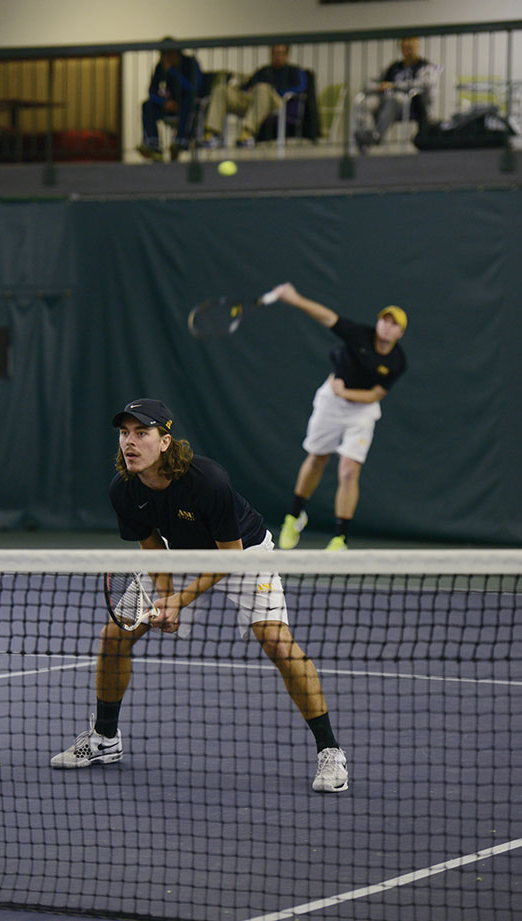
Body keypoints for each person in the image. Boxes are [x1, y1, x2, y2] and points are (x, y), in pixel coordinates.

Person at [52, 398, 348, 793]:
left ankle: (330, 751)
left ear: (165, 442)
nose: (129, 442)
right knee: (114, 636)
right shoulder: (124, 488)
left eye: (142, 433)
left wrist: (180, 601)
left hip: (243, 553)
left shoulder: (209, 481)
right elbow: (152, 545)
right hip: (183, 551)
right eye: (124, 433)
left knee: (277, 643)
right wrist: (166, 596)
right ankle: (105, 739)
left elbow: (229, 559)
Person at [274, 284, 407, 551]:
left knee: (349, 469)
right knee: (317, 458)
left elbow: (374, 396)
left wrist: (347, 392)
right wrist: (297, 299)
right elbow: (326, 316)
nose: (386, 326)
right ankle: (294, 516)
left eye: (393, 324)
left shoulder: (397, 361)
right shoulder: (359, 334)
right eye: (384, 319)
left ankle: (339, 539)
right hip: (331, 402)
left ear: (400, 333)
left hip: (361, 411)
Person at [199, 44, 308, 149]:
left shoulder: (294, 71)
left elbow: (301, 87)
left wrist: (275, 90)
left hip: (277, 101)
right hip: (253, 100)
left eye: (280, 53)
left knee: (263, 88)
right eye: (274, 53)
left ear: (287, 55)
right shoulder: (263, 70)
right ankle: (212, 133)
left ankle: (248, 133)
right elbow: (247, 86)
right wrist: (245, 87)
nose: (277, 56)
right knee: (221, 89)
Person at [353, 37, 438, 153]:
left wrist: (394, 86)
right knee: (365, 102)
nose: (407, 51)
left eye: (410, 47)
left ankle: (377, 136)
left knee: (394, 99)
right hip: (384, 99)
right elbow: (370, 83)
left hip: (411, 103)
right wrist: (379, 86)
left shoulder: (425, 66)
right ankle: (367, 134)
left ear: (417, 47)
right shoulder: (393, 67)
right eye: (404, 48)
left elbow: (425, 84)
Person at [138, 39, 202, 162]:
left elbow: (194, 89)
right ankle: (153, 143)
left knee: (188, 101)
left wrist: (173, 72)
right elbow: (152, 92)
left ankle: (180, 142)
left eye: (165, 55)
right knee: (147, 105)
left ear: (174, 54)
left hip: (187, 104)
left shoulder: (190, 63)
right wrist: (164, 103)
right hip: (169, 105)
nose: (162, 59)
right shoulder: (160, 66)